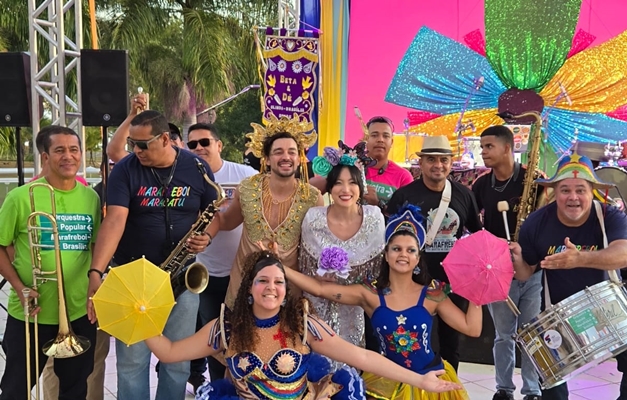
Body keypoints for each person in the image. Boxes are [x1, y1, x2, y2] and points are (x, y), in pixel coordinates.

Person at [143, 249, 465, 399]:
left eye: (279, 282)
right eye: (262, 281)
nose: (271, 287)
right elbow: (170, 351)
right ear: (249, 289)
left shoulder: (303, 325)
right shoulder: (224, 329)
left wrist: (420, 381)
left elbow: (363, 358)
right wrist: (140, 320)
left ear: (285, 292)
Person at [280, 203, 482, 399]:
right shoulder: (369, 294)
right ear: (386, 255)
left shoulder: (432, 294)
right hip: (385, 383)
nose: (403, 254)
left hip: (431, 381)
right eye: (396, 249)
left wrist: (479, 291)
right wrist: (279, 267)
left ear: (418, 258)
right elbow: (320, 289)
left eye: (410, 250)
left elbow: (472, 328)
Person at [86, 110, 218, 400]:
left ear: (166, 139)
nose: (136, 150)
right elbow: (115, 220)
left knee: (178, 361)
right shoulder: (125, 169)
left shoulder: (197, 168)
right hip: (134, 279)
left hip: (182, 276)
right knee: (132, 362)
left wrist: (207, 236)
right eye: (133, 143)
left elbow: (213, 213)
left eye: (143, 144)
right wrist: (96, 272)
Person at [510, 153, 627, 400]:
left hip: (608, 308)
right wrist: (517, 258)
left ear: (592, 191)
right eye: (565, 190)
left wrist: (580, 258)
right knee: (551, 384)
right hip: (555, 314)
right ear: (553, 192)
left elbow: (623, 254)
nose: (573, 197)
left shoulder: (610, 216)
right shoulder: (536, 222)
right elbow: (526, 272)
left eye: (580, 190)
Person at [0, 125, 100, 400]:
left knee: (75, 389)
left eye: (74, 150)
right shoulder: (20, 197)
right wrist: (18, 286)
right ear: (44, 156)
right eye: (59, 150)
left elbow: (94, 247)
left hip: (79, 311)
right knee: (15, 389)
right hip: (31, 312)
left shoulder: (90, 197)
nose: (68, 156)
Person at [387, 135, 482, 372]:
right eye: (431, 159)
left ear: (451, 162)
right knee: (414, 342)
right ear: (421, 163)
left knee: (452, 345)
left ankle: (448, 391)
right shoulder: (404, 195)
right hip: (416, 282)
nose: (438, 165)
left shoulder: (464, 194)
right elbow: (390, 240)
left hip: (454, 282)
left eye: (443, 159)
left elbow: (476, 235)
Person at [216, 114, 324, 308]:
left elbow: (318, 246)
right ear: (266, 158)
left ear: (299, 159)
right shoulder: (247, 188)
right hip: (244, 288)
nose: (286, 157)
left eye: (292, 152)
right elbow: (226, 222)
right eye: (278, 152)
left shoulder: (312, 197)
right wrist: (200, 224)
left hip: (286, 291)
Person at [471, 125, 543, 400]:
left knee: (531, 333)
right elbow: (471, 222)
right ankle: (503, 389)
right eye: (482, 146)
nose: (483, 152)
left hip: (532, 270)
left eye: (488, 146)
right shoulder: (480, 184)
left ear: (507, 148)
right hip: (497, 273)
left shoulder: (533, 180)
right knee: (503, 336)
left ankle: (533, 390)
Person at [185, 122, 257, 391]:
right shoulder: (184, 178)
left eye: (204, 142)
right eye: (192, 144)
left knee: (247, 336)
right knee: (215, 338)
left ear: (219, 145)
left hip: (245, 273)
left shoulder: (245, 174)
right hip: (205, 274)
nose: (199, 148)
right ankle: (218, 391)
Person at [301, 142, 385, 354]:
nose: (345, 190)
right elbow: (304, 266)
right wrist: (321, 276)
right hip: (317, 307)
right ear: (329, 187)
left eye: (352, 183)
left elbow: (378, 270)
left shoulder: (374, 218)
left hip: (359, 308)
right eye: (338, 183)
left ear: (361, 186)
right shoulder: (313, 219)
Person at [42, 159, 116, 400]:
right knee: (58, 360)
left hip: (110, 286)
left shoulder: (134, 192)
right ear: (103, 170)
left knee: (95, 357)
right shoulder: (93, 195)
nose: (116, 169)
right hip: (71, 290)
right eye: (111, 164)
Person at [106, 93, 184, 163]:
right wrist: (133, 115)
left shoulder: (193, 165)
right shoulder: (138, 163)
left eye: (173, 135)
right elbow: (114, 151)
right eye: (135, 143)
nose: (137, 149)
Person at [362, 116, 413, 210]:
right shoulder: (352, 169)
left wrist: (377, 204)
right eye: (374, 135)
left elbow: (406, 217)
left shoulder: (403, 177)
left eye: (386, 136)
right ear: (366, 140)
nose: (380, 139)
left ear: (392, 142)